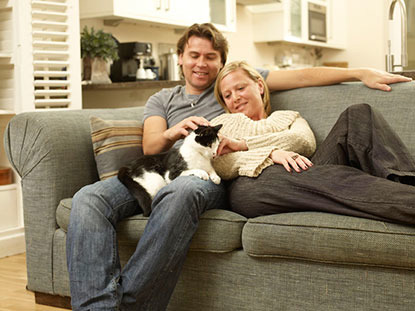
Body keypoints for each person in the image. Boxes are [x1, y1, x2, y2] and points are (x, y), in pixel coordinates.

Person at [67, 23, 412, 311]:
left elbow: (303, 93)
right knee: (87, 199)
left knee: (358, 115)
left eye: (210, 57)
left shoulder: (257, 112)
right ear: (181, 58)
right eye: (194, 56)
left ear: (229, 66)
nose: (202, 64)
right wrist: (180, 131)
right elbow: (161, 147)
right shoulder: (178, 104)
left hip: (212, 175)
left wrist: (358, 71)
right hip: (173, 169)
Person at [211, 60, 415, 226]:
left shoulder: (287, 116)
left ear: (259, 85)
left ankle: (406, 184)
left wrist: (244, 144)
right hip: (256, 183)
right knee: (329, 179)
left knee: (359, 114)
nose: (235, 98)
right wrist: (270, 154)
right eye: (227, 95)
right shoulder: (222, 123)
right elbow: (220, 162)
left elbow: (303, 142)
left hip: (306, 175)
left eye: (240, 88)